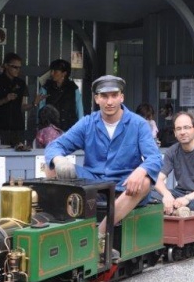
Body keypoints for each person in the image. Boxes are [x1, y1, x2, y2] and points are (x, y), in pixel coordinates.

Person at [44, 75, 162, 251]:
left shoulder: (138, 124)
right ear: (96, 98)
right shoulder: (87, 123)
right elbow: (55, 146)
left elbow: (155, 157)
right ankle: (60, 228)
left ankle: (99, 236)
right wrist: (58, 159)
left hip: (125, 186)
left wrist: (141, 170)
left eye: (114, 95)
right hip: (93, 183)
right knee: (51, 168)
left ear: (122, 97)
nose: (110, 101)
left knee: (145, 181)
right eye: (104, 96)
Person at [0, 52, 42, 146]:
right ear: (6, 66)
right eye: (14, 67)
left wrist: (33, 104)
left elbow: (22, 107)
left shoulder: (21, 83)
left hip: (17, 128)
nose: (17, 70)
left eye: (19, 67)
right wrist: (5, 100)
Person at [38, 59, 83, 131]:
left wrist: (81, 128)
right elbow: (40, 110)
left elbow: (79, 109)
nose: (52, 73)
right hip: (50, 131)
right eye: (51, 71)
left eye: (55, 71)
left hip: (69, 129)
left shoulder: (73, 88)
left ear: (64, 73)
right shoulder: (45, 88)